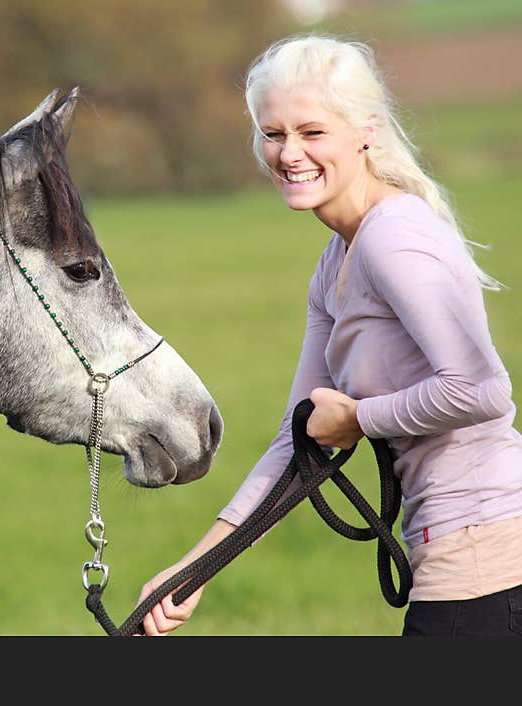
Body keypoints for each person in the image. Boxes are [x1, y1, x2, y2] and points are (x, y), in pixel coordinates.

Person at [137, 34, 522, 637]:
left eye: (312, 132)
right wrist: (192, 571)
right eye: (274, 134)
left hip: (485, 557)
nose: (290, 153)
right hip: (455, 555)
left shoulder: (391, 239)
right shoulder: (337, 261)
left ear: (364, 131)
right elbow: (300, 438)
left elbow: (482, 389)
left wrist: (360, 418)